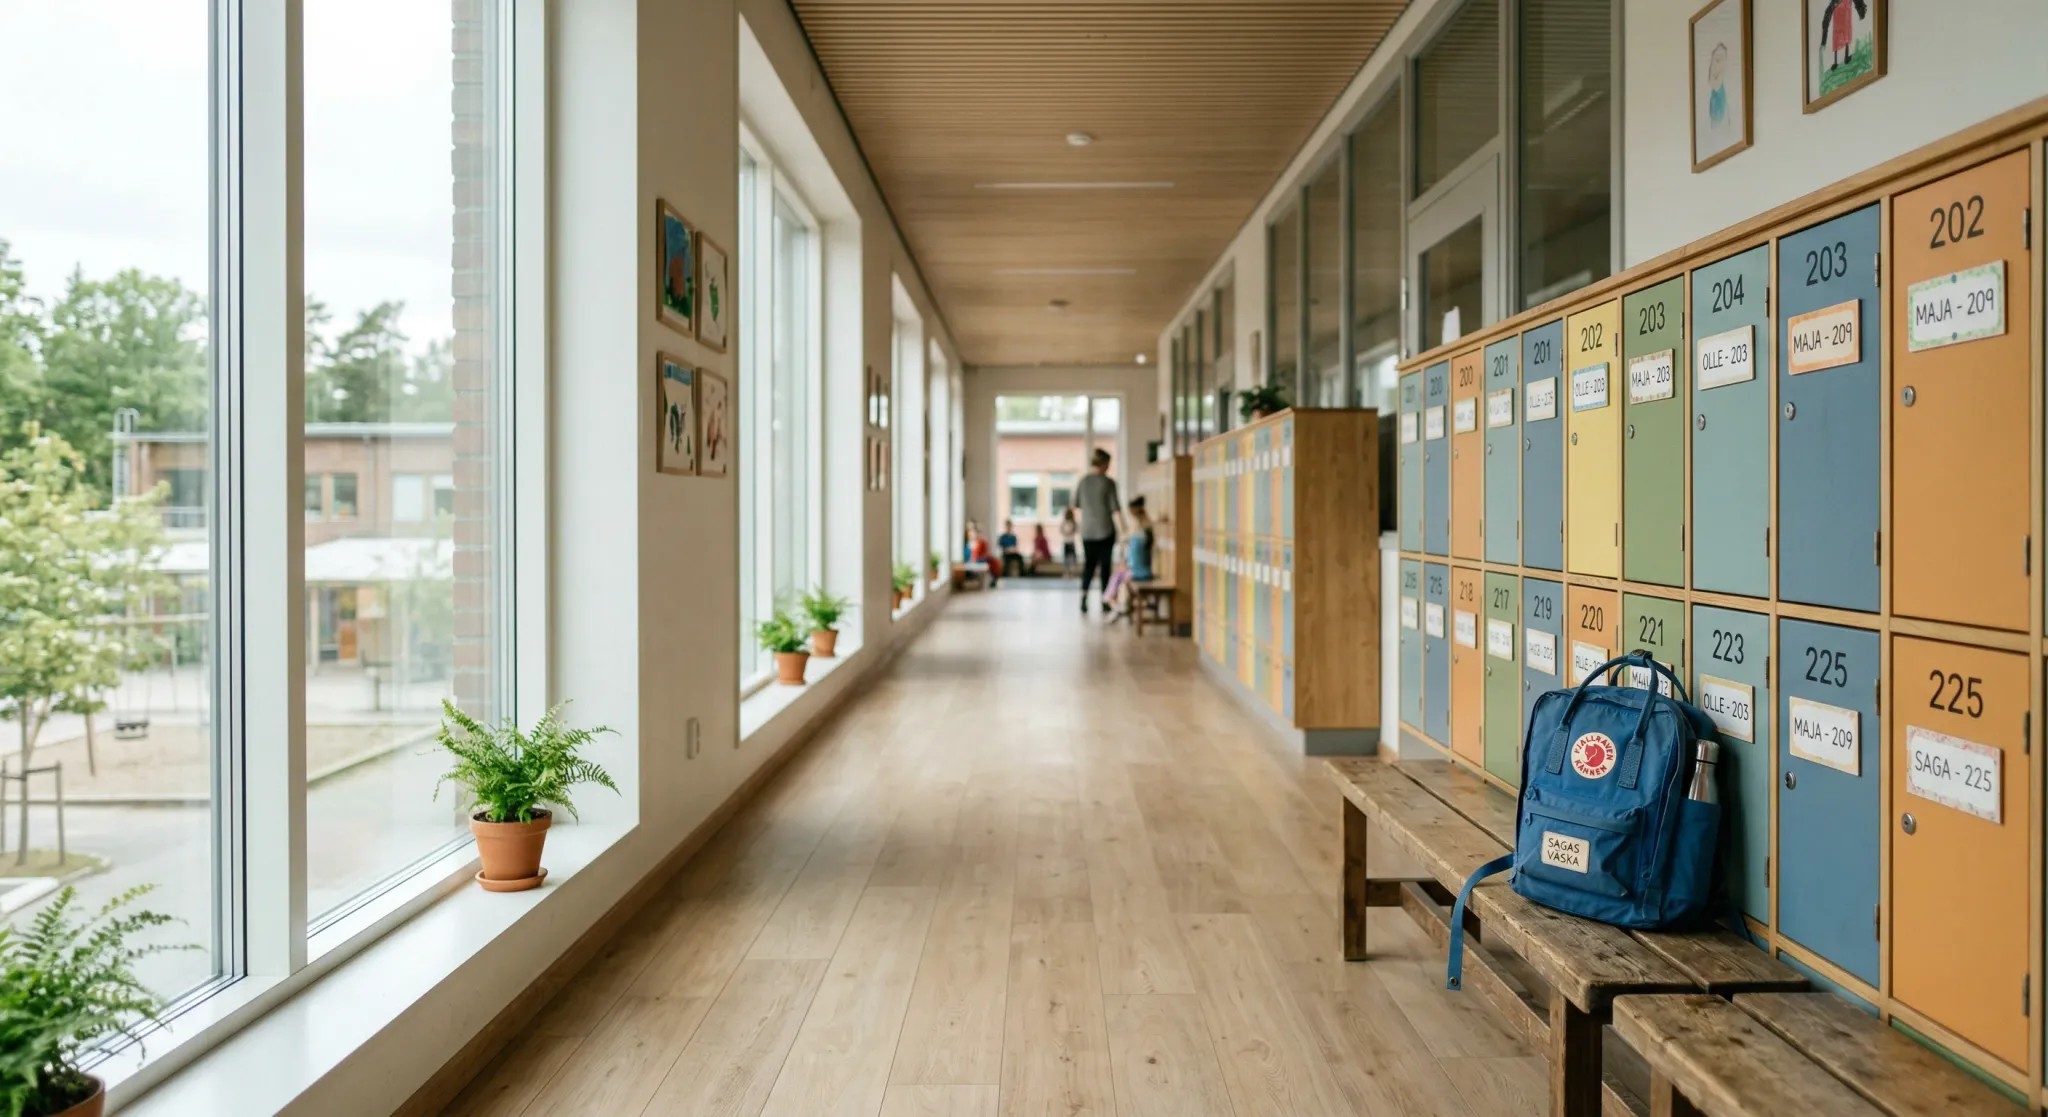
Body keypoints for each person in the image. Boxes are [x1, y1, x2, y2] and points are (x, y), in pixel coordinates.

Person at [1074, 448, 1124, 613]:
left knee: (1088, 566)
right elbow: (1116, 509)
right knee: (1105, 567)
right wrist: (1124, 530)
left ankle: (1083, 599)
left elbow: (1076, 504)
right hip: (1105, 531)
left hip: (1087, 531)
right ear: (1103, 464)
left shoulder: (1083, 482)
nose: (1108, 468)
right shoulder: (1108, 483)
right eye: (1108, 464)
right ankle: (1105, 601)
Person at [1107, 497, 1156, 618]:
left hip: (1138, 572)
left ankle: (1113, 602)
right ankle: (1118, 604)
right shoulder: (1146, 530)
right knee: (1119, 576)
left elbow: (1134, 558)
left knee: (1118, 576)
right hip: (1142, 570)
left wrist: (1126, 565)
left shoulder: (1138, 535)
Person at [1058, 507, 1078, 575]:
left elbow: (1074, 531)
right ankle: (1067, 572)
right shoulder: (1064, 522)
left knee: (1071, 558)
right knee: (1066, 558)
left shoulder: (1073, 523)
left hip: (1070, 542)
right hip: (1066, 542)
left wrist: (1067, 533)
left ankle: (1071, 572)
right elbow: (1061, 530)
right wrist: (1066, 532)